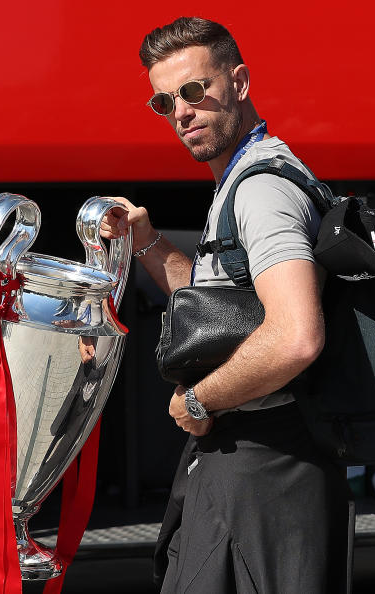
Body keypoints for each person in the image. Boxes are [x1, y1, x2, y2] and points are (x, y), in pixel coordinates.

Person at [100, 16, 352, 594]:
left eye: (194, 90)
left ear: (238, 82)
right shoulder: (240, 179)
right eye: (165, 102)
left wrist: (197, 398)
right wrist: (148, 243)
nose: (182, 111)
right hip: (251, 463)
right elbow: (229, 316)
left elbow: (295, 335)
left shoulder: (263, 191)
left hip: (267, 469)